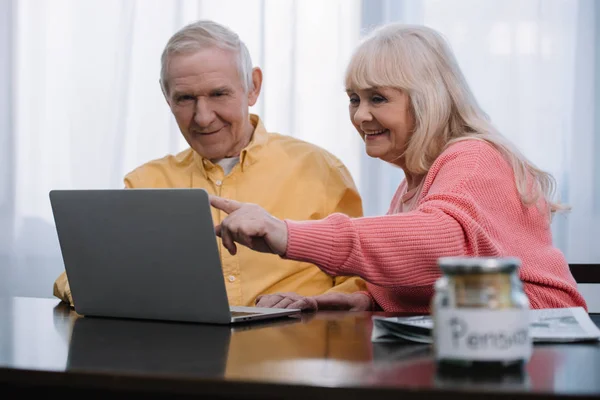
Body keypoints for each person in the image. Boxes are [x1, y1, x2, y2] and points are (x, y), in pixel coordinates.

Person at [208, 23, 588, 312]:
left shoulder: (474, 157)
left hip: (538, 340)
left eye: (378, 98)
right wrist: (353, 302)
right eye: (354, 99)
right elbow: (437, 281)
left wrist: (286, 233)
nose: (361, 115)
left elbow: (439, 247)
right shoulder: (416, 183)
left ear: (428, 99)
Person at [52, 20, 369, 309]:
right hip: (183, 359)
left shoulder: (320, 170)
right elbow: (82, 276)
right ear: (166, 97)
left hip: (296, 352)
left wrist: (314, 302)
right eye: (185, 98)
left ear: (252, 87)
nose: (202, 117)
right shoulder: (144, 182)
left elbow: (364, 279)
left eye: (219, 94)